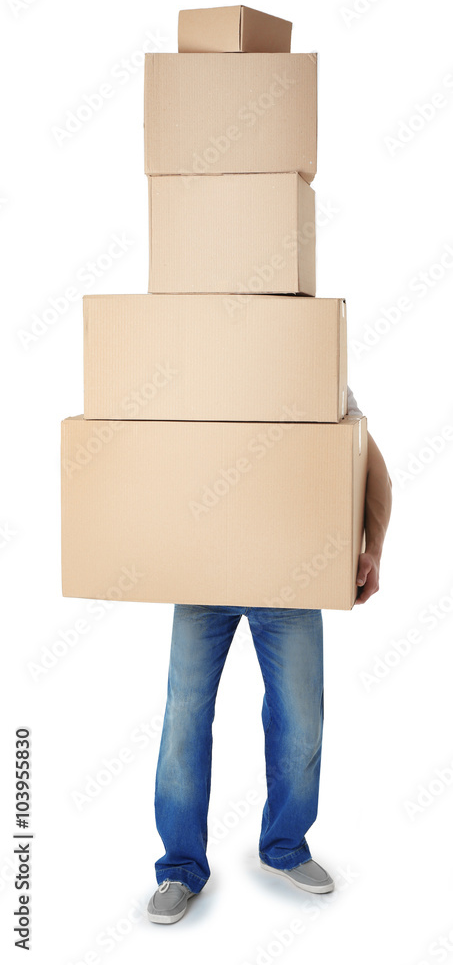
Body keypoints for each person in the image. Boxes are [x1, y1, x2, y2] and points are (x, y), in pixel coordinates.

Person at [147, 386, 392, 924]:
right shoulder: (188, 368)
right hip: (201, 577)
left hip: (290, 581)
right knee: (184, 719)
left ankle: (285, 846)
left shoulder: (308, 362)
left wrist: (371, 549)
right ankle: (180, 867)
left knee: (301, 718)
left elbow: (369, 461)